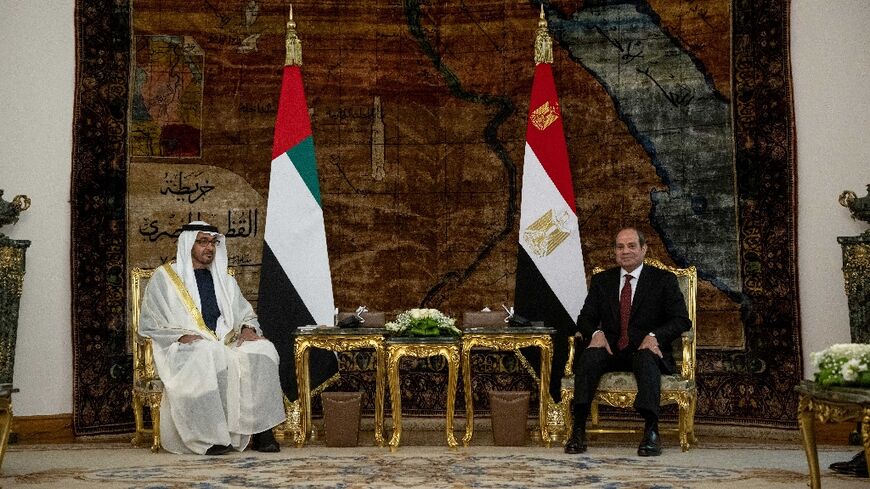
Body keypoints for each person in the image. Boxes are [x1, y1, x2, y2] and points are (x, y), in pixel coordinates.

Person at [139, 221, 285, 455]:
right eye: (202, 242)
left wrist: (248, 328)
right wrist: (180, 335)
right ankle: (210, 438)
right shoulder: (165, 278)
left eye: (213, 243)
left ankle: (260, 431)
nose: (209, 248)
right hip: (183, 347)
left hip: (224, 342)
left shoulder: (224, 280)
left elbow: (245, 313)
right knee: (207, 353)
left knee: (264, 350)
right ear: (188, 245)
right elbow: (150, 322)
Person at [565, 227, 691, 457]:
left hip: (643, 349)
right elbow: (585, 318)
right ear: (614, 252)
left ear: (644, 249)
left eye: (632, 246)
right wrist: (595, 333)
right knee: (590, 356)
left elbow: (682, 320)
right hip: (611, 349)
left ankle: (652, 431)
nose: (625, 251)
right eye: (620, 247)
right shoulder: (602, 281)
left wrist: (654, 337)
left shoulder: (663, 280)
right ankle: (578, 429)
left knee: (646, 359)